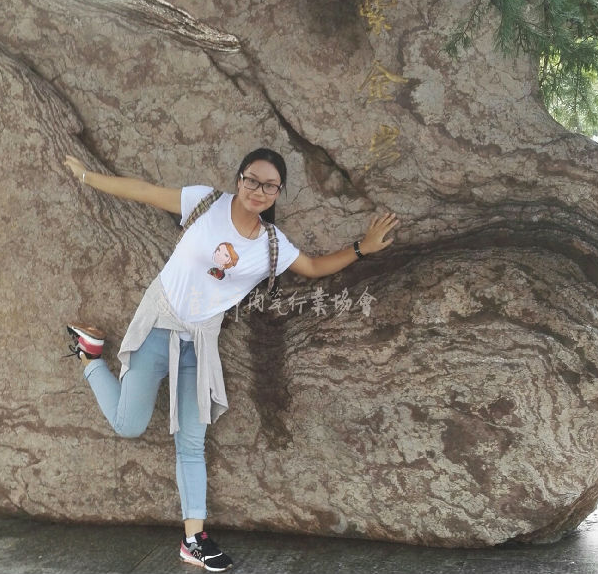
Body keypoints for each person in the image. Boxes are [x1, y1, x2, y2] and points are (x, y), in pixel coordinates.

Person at [63, 148, 398, 572]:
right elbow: (145, 192)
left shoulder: (271, 246)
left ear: (278, 193)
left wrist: (362, 247)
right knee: (128, 425)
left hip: (200, 344)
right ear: (239, 179)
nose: (259, 190)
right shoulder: (206, 202)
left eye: (270, 185)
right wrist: (87, 177)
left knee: (191, 442)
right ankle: (90, 356)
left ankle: (193, 540)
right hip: (159, 324)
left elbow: (313, 267)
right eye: (252, 180)